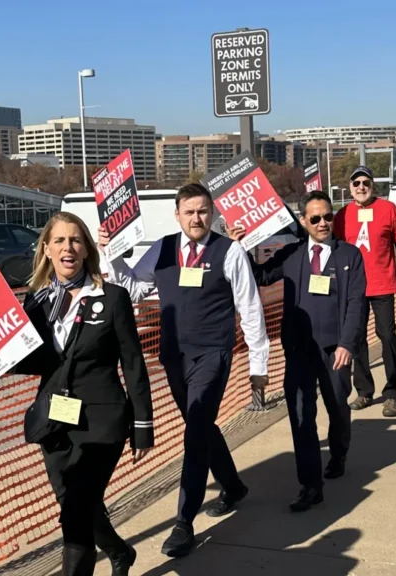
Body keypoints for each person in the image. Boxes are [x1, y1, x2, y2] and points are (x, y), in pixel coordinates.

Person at [96, 183, 269, 558]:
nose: (196, 218)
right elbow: (130, 288)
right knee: (200, 425)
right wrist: (109, 252)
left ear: (213, 214)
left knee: (195, 432)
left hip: (213, 354)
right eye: (189, 211)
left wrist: (259, 365)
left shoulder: (230, 251)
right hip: (174, 355)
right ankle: (233, 486)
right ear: (177, 215)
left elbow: (251, 309)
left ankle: (183, 523)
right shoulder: (163, 248)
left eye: (203, 211)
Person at [16, 212, 153, 576]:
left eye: (75, 240)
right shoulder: (35, 303)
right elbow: (31, 362)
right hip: (55, 420)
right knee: (73, 501)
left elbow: (134, 364)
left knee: (76, 506)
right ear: (46, 249)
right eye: (59, 241)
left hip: (102, 420)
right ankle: (119, 551)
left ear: (87, 249)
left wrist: (143, 425)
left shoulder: (111, 297)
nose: (68, 248)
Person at [229, 191, 366, 511]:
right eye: (315, 218)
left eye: (327, 216)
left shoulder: (350, 255)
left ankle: (339, 451)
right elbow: (261, 276)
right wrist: (241, 247)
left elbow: (357, 304)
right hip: (298, 350)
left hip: (336, 351)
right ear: (303, 221)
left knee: (338, 410)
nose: (322, 223)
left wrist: (348, 343)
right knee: (302, 416)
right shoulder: (290, 254)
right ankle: (310, 485)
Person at [332, 166, 396, 417]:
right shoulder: (343, 214)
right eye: (356, 182)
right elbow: (333, 248)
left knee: (387, 335)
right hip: (352, 287)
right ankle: (364, 391)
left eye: (365, 182)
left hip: (382, 284)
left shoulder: (388, 209)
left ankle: (392, 393)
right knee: (356, 339)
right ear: (350, 188)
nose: (361, 187)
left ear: (373, 186)